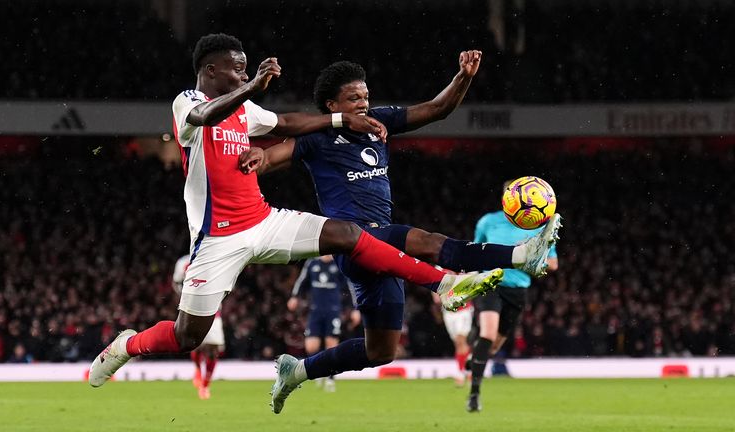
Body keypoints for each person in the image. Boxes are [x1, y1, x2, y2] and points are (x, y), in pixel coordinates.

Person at [88, 33, 504, 394]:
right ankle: (127, 345)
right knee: (187, 336)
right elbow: (204, 116)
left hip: (264, 221)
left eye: (246, 68)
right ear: (210, 70)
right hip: (219, 238)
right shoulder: (188, 103)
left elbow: (286, 122)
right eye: (237, 69)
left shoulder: (245, 111)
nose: (242, 74)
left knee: (345, 233)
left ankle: (443, 284)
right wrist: (251, 86)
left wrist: (344, 120)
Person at [239, 54, 562, 413]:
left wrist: (463, 77)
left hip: (385, 253)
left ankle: (296, 371)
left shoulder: (381, 121)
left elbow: (437, 109)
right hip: (353, 242)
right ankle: (519, 255)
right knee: (431, 243)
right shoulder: (317, 137)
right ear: (332, 105)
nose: (363, 103)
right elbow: (272, 156)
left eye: (365, 96)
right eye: (353, 98)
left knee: (380, 351)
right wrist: (258, 157)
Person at [465, 183, 559, 413]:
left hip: (518, 290)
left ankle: (475, 354)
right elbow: (473, 251)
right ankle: (474, 394)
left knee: (494, 346)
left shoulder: (539, 228)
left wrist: (527, 256)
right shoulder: (488, 221)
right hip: (491, 283)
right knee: (488, 334)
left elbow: (553, 264)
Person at [288, 255, 361, 392]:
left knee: (331, 345)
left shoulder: (338, 264)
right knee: (311, 346)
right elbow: (302, 281)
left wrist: (354, 309)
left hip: (333, 311)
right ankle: (319, 370)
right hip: (315, 311)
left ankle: (331, 378)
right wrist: (295, 297)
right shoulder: (312, 263)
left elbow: (349, 287)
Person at [173, 254, 225, 400]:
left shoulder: (215, 257)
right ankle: (197, 368)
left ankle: (205, 385)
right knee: (195, 344)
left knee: (213, 348)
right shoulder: (183, 262)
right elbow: (176, 283)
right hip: (191, 308)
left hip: (213, 309)